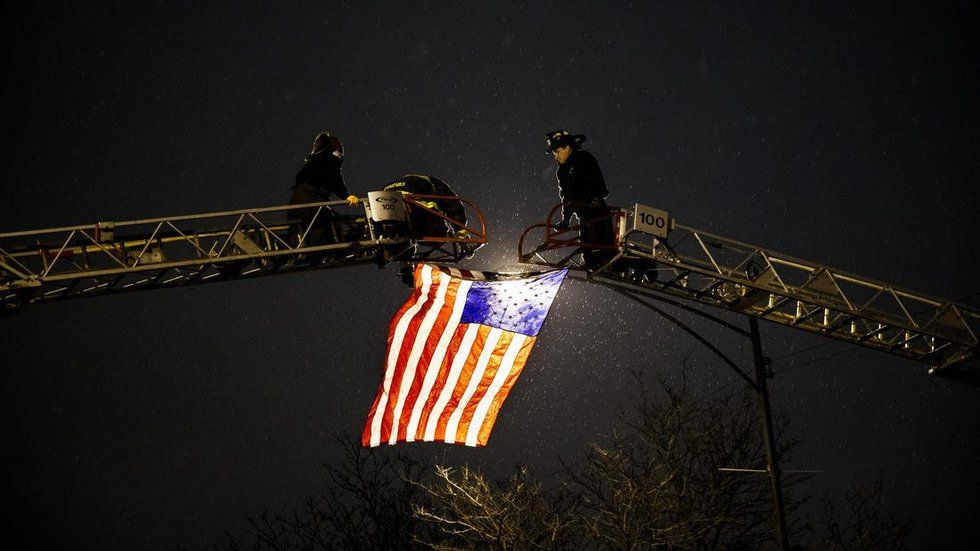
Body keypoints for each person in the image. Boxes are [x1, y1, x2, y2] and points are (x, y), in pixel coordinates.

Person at [545, 129, 616, 270]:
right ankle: (599, 266)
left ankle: (638, 264)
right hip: (584, 215)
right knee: (588, 252)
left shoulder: (584, 158)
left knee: (604, 249)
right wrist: (566, 218)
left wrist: (596, 197)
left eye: (557, 151)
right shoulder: (562, 171)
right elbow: (566, 196)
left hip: (597, 211)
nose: (556, 157)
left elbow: (597, 179)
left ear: (567, 147)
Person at [289, 131, 359, 245]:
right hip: (312, 199)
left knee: (298, 232)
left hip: (296, 200)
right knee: (321, 229)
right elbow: (335, 178)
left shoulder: (313, 161)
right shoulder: (330, 158)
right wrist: (347, 195)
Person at [383, 174, 468, 239]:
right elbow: (454, 206)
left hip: (386, 217)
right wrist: (461, 234)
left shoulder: (389, 186)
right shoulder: (435, 183)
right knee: (440, 234)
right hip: (415, 212)